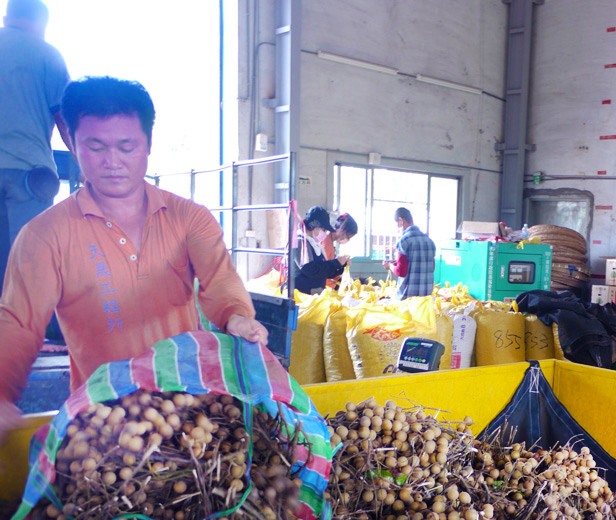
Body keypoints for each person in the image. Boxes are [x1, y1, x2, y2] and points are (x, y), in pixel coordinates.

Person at [0, 76, 267, 439]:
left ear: (149, 143)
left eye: (126, 146)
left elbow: (220, 281)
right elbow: (18, 322)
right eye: (95, 146)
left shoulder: (188, 217)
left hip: (190, 416)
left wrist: (237, 316)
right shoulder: (44, 236)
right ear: (72, 143)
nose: (112, 162)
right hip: (104, 426)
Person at [0, 0, 72, 283]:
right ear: (42, 23)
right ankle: (32, 327)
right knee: (30, 265)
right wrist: (85, 160)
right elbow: (65, 119)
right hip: (29, 174)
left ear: (7, 17)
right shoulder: (47, 55)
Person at [292, 206, 355, 294]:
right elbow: (310, 270)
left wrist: (341, 266)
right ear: (313, 226)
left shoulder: (315, 245)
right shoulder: (300, 242)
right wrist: (335, 263)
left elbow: (324, 272)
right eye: (324, 229)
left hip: (312, 296)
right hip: (299, 296)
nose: (325, 233)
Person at [382, 206, 435, 299]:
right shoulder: (429, 241)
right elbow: (432, 267)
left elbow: (401, 271)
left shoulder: (404, 241)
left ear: (401, 220)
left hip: (408, 299)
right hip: (425, 299)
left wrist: (390, 266)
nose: (397, 228)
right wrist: (396, 262)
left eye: (396, 224)